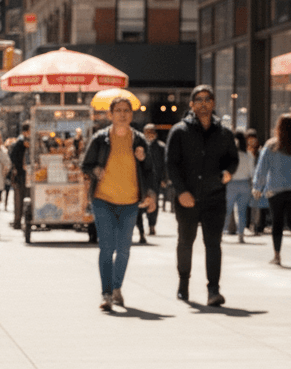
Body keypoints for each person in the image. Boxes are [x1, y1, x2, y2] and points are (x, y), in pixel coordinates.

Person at [82, 95, 157, 311]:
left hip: (130, 201)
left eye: (126, 111)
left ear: (131, 115)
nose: (123, 114)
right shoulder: (100, 139)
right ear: (110, 115)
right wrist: (96, 169)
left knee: (124, 249)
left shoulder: (140, 140)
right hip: (103, 199)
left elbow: (150, 170)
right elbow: (86, 164)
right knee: (107, 247)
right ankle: (106, 293)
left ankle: (116, 288)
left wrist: (149, 192)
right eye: (118, 111)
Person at [165, 85, 239, 306]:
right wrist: (180, 191)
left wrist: (228, 172)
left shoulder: (224, 133)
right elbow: (171, 165)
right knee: (185, 242)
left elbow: (233, 159)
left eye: (208, 99)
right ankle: (183, 283)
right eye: (199, 99)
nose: (203, 103)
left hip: (214, 197)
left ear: (213, 103)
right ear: (191, 104)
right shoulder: (179, 131)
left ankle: (213, 290)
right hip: (187, 198)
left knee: (213, 244)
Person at [252, 112, 291, 266]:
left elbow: (262, 167)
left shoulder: (271, 146)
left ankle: (277, 256)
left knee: (277, 223)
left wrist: (258, 186)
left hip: (275, 191)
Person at [134, 122, 166, 241]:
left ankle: (152, 225)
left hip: (155, 180)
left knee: (153, 203)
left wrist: (164, 179)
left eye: (151, 132)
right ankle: (141, 231)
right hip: (140, 179)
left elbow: (165, 164)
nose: (149, 135)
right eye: (147, 132)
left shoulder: (161, 147)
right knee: (139, 205)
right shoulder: (138, 145)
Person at [224, 130, 255, 243]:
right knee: (242, 211)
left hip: (231, 184)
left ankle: (222, 232)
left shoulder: (229, 155)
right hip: (245, 184)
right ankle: (241, 235)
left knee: (227, 210)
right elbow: (252, 172)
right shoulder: (249, 155)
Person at [9, 123, 29, 230]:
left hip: (23, 175)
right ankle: (17, 221)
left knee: (21, 199)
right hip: (20, 176)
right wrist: (17, 168)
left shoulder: (24, 142)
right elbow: (13, 157)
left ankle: (20, 220)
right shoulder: (20, 142)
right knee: (19, 199)